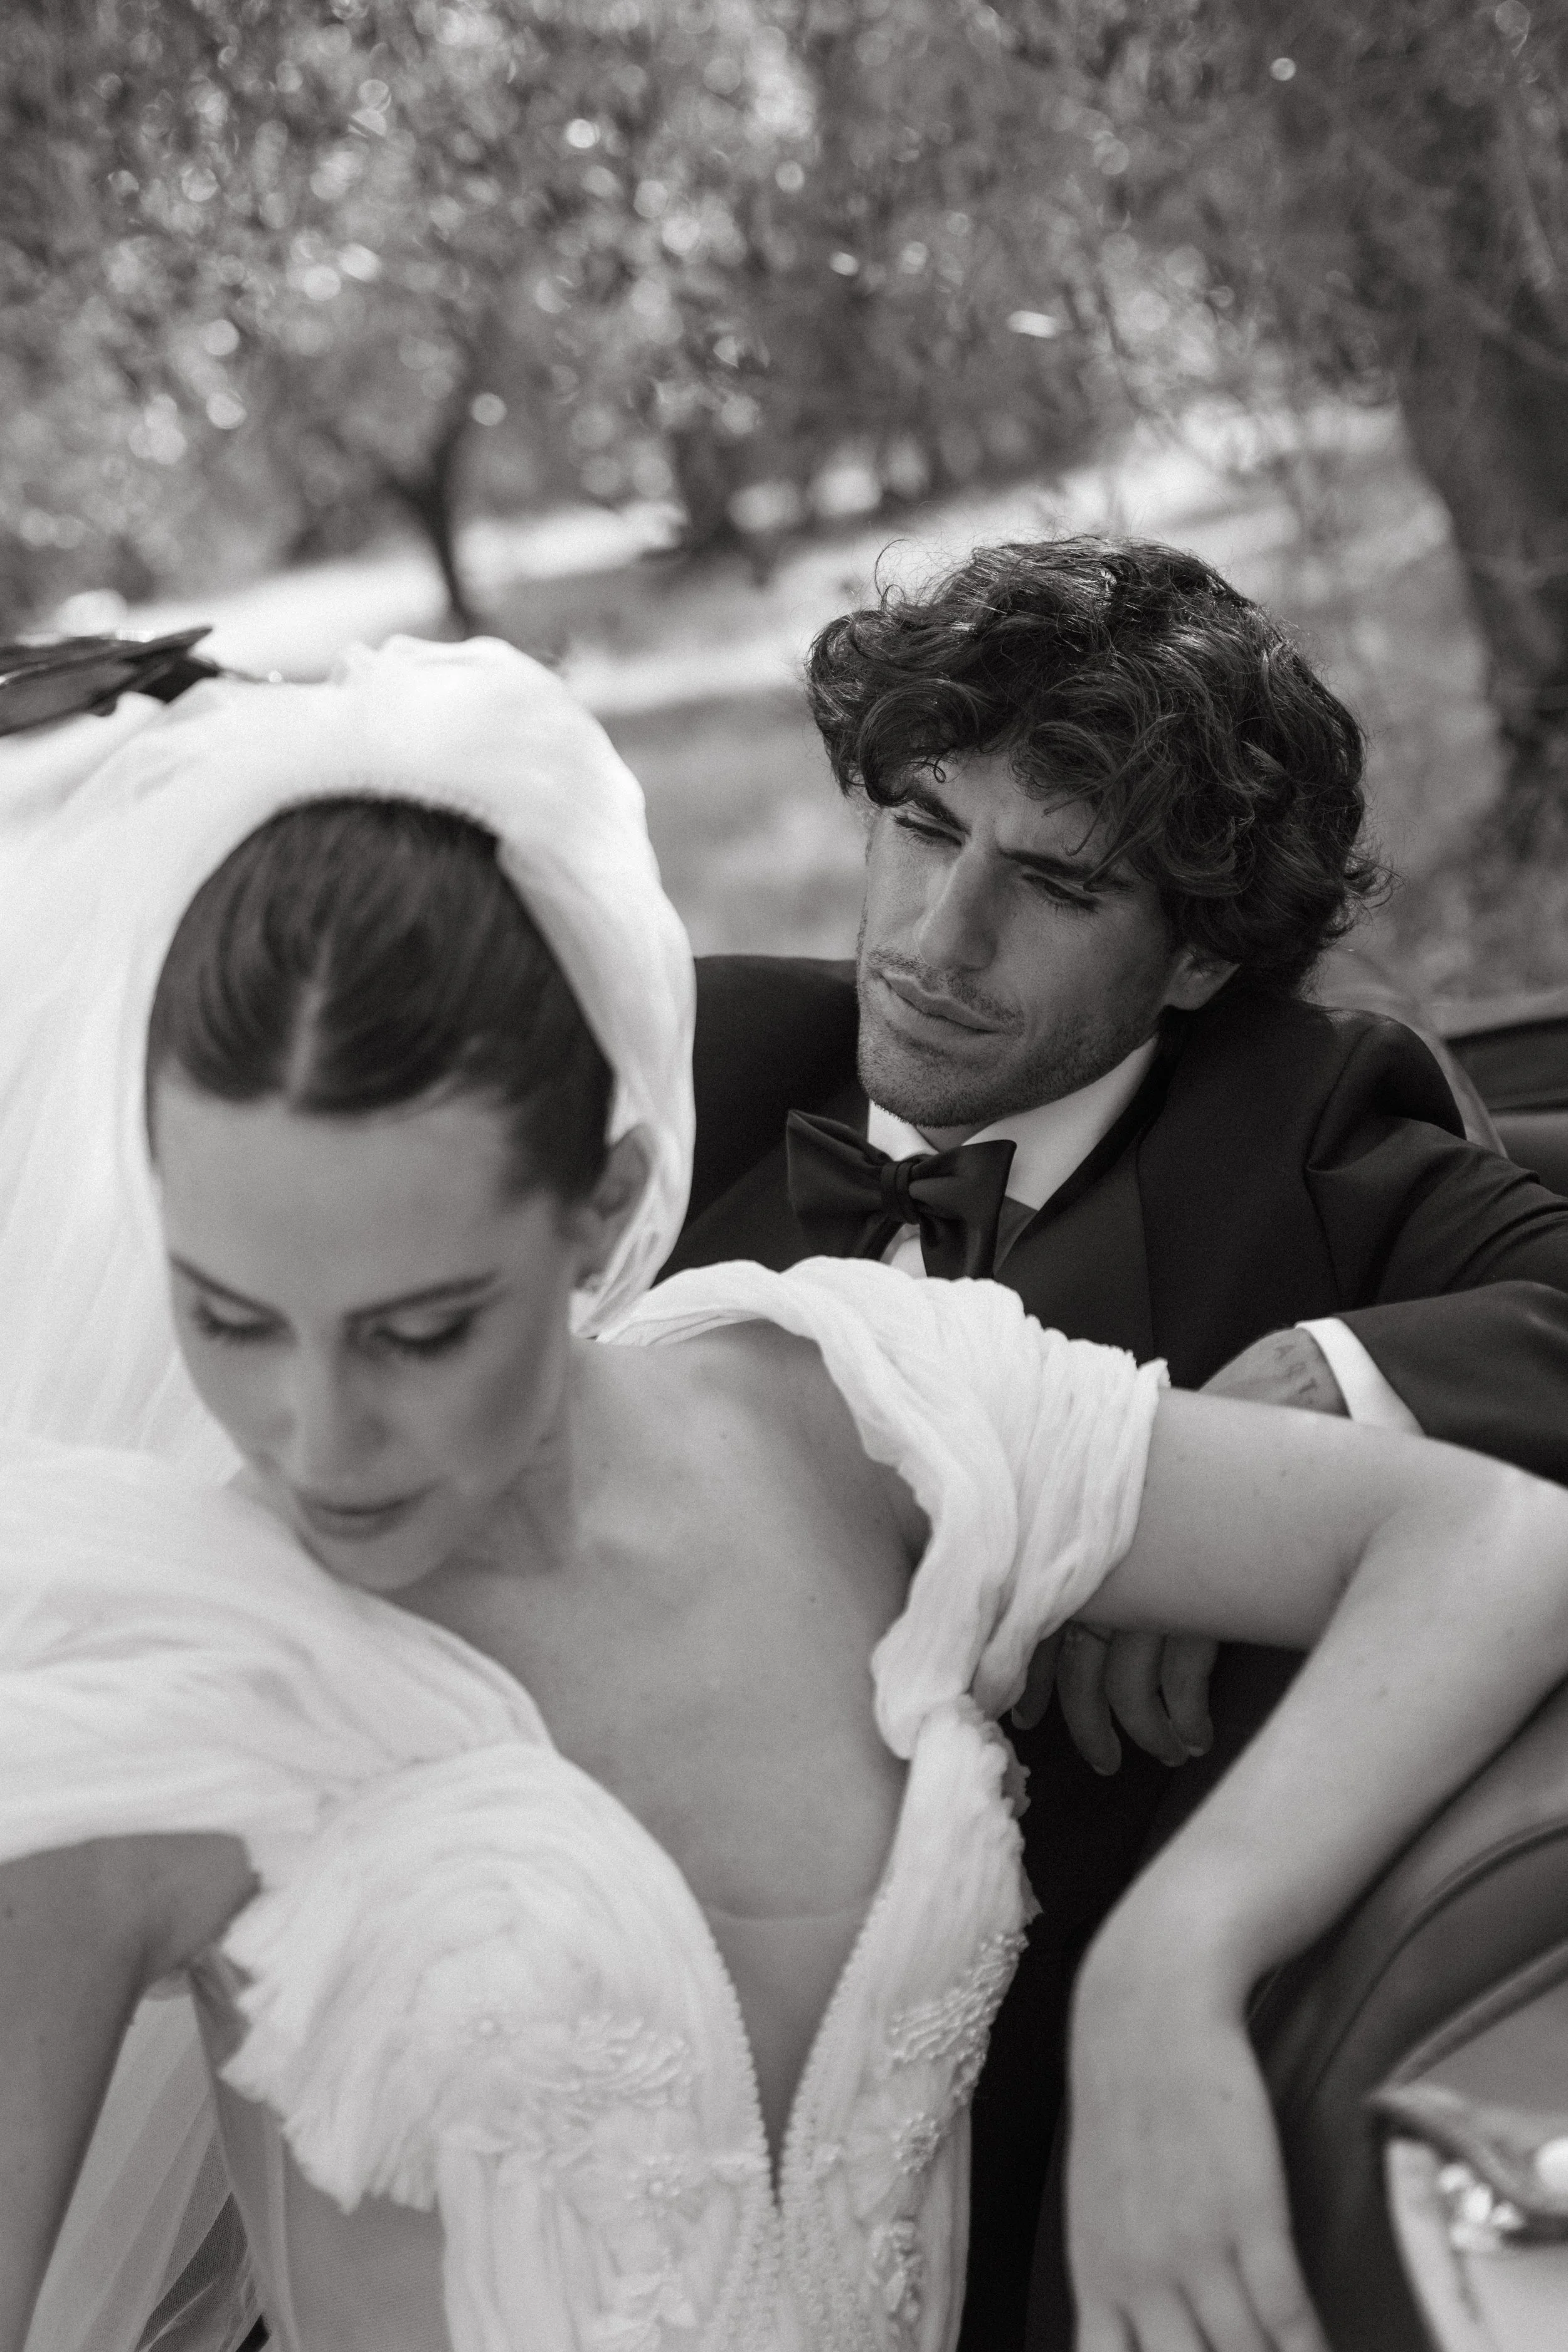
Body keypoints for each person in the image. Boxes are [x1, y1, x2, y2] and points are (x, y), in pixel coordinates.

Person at [3, 641, 1568, 2352]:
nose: (316, 1436)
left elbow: (1497, 1538)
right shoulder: (124, 1679)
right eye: (229, 1316)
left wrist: (1175, 1965)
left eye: (421, 1328)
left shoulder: (856, 1403)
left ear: (606, 1209)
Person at [659, 534, 1568, 2343]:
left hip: (1018, 2171)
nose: (932, 941)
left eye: (1052, 885)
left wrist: (1311, 1393)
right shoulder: (692, 1071)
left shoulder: (1303, 1130)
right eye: (922, 828)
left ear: (1191, 960)